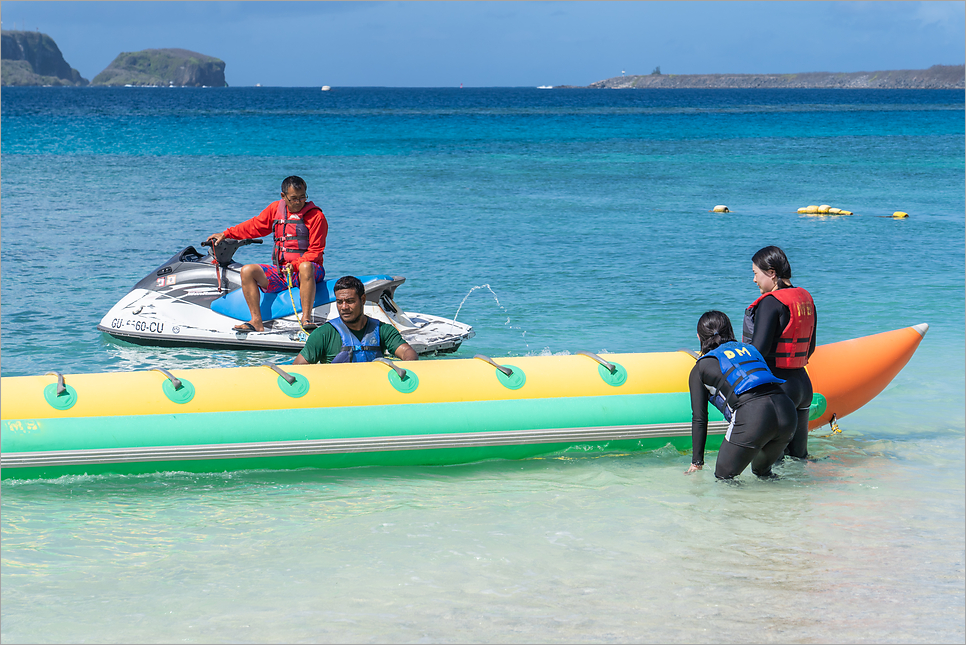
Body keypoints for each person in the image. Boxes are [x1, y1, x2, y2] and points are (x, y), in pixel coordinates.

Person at [206, 176, 328, 332]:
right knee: (248, 270)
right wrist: (226, 234)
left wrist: (295, 265)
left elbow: (316, 251)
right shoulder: (276, 210)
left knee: (305, 266)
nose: (299, 202)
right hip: (282, 272)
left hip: (309, 271)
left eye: (302, 197)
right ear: (283, 196)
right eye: (294, 198)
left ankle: (306, 319)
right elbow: (254, 226)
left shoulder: (316, 216)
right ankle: (256, 321)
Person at [686, 311, 797, 479]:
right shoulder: (751, 349)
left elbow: (700, 418)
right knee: (763, 473)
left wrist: (697, 462)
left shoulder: (701, 367)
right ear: (730, 331)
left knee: (724, 477)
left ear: (699, 337)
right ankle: (787, 503)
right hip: (787, 411)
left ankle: (745, 506)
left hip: (754, 416)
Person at [742, 245, 817, 459]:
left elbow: (758, 351)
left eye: (756, 273)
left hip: (780, 390)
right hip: (803, 386)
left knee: (770, 464)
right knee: (798, 457)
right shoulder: (806, 299)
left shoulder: (770, 303)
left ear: (772, 273)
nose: (754, 280)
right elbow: (810, 348)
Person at [293, 275, 418, 365]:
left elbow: (407, 351)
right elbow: (298, 367)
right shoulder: (323, 334)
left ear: (362, 300)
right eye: (339, 302)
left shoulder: (382, 330)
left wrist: (409, 366)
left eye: (350, 301)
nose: (344, 307)